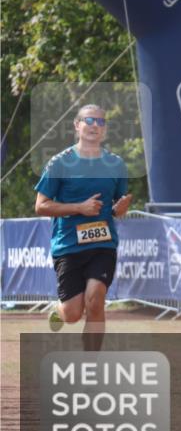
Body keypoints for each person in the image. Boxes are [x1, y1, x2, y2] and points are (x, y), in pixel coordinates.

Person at [35, 104, 132, 351]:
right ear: (77, 126)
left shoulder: (116, 164)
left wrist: (120, 208)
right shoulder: (59, 163)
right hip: (68, 245)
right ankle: (59, 310)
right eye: (89, 120)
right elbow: (41, 205)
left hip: (103, 244)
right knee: (72, 314)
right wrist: (79, 207)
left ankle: (90, 363)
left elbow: (117, 206)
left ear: (105, 129)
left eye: (100, 122)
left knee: (95, 299)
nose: (94, 126)